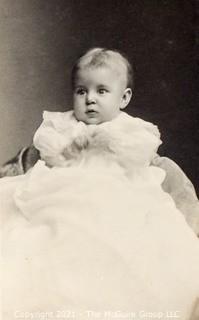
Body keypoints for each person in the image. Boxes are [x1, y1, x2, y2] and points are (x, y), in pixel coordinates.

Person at [1, 48, 199, 319]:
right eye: (82, 91)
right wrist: (75, 147)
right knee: (47, 238)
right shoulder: (63, 126)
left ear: (124, 97)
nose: (90, 99)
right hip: (64, 193)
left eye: (101, 91)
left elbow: (139, 159)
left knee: (136, 244)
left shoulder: (129, 129)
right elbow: (52, 159)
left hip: (116, 196)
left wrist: (106, 143)